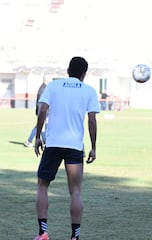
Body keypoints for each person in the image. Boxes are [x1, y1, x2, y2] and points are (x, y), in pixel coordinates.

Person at [33, 57, 100, 240]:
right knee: (76, 191)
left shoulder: (54, 86)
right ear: (84, 74)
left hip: (53, 144)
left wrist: (38, 136)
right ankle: (75, 236)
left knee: (42, 187)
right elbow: (92, 120)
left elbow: (43, 110)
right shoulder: (88, 91)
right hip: (74, 146)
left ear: (68, 69)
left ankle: (43, 232)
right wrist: (94, 147)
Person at [24, 75, 49, 147]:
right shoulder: (43, 89)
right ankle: (29, 141)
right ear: (46, 80)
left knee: (41, 127)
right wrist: (42, 112)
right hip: (43, 112)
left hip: (43, 112)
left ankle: (44, 142)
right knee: (40, 127)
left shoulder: (43, 88)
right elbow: (41, 102)